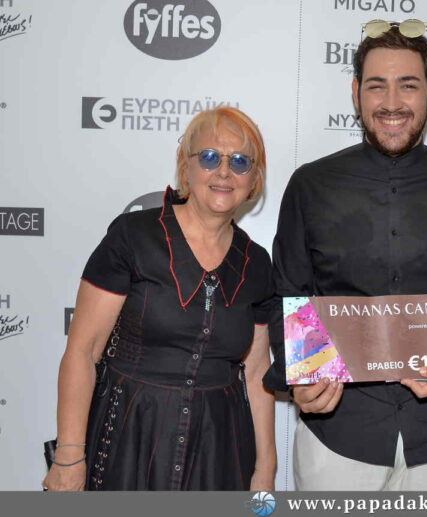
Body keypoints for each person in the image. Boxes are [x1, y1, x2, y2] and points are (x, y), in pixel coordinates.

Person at [263, 21, 427, 490]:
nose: (391, 103)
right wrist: (303, 379)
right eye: (376, 86)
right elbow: (289, 294)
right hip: (338, 432)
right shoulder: (311, 185)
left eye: (408, 85)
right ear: (356, 93)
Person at [42, 107, 277, 491]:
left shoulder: (257, 263)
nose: (223, 171)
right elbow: (83, 351)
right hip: (129, 435)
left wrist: (265, 469)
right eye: (209, 157)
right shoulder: (134, 236)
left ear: (254, 178)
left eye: (239, 161)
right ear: (186, 167)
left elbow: (255, 373)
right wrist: (69, 455)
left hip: (219, 447)